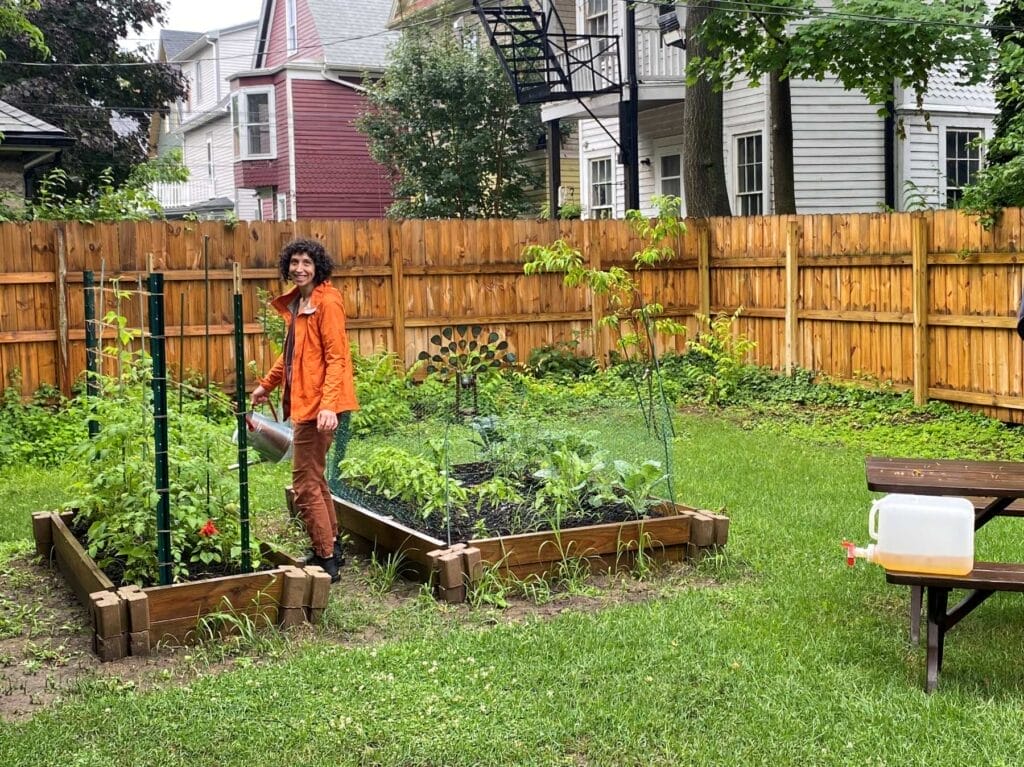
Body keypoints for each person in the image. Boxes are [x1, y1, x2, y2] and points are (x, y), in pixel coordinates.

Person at [251, 238, 358, 583]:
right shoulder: (301, 303)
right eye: (294, 262)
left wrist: (328, 405)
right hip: (305, 403)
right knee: (315, 478)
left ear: (318, 267)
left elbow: (337, 357)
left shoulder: (328, 302)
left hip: (320, 408)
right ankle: (332, 548)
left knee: (304, 485)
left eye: (306, 263)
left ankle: (325, 559)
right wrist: (266, 385)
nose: (299, 268)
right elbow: (292, 353)